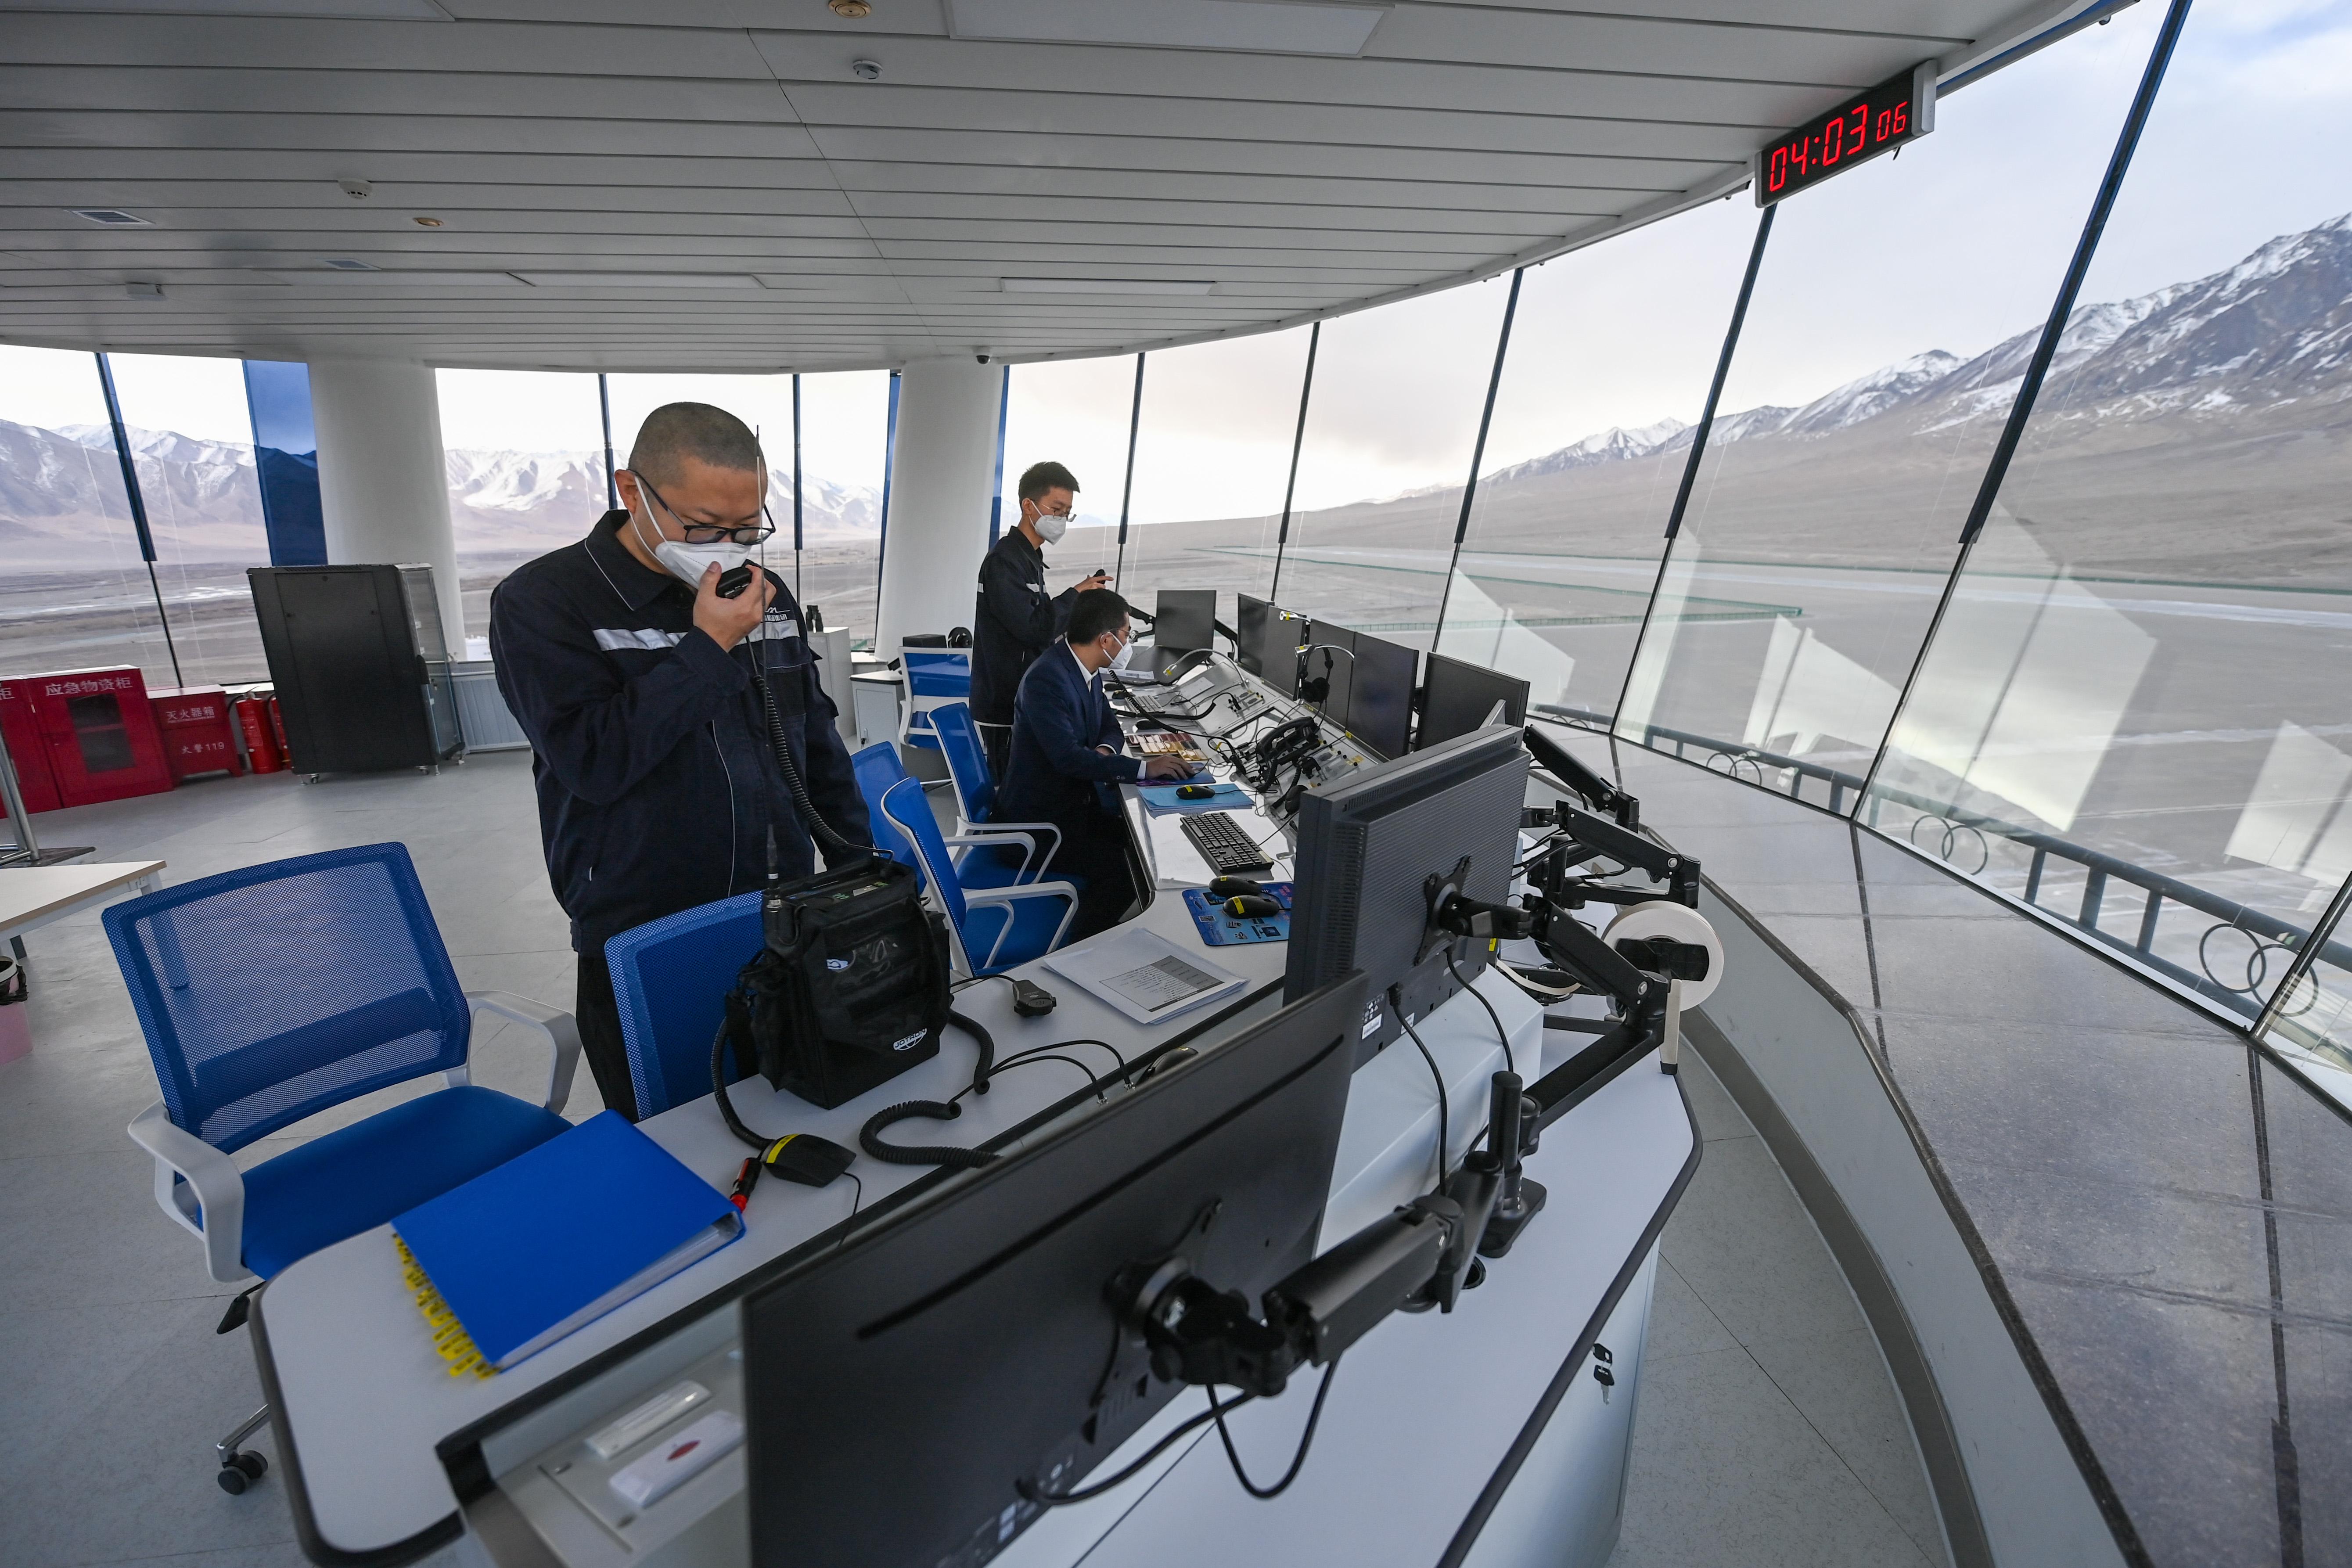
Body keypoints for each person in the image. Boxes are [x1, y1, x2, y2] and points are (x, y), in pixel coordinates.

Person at [491, 401, 871, 1121]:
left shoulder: (765, 595)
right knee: (670, 1134)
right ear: (632, 491)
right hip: (647, 933)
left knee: (791, 1109)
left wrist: (859, 871)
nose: (728, 547)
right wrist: (706, 647)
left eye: (746, 527)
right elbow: (593, 761)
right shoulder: (543, 602)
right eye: (703, 527)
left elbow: (813, 742)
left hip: (779, 915)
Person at [996, 589, 1192, 940]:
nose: (1128, 642)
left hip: (1073, 803)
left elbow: (1110, 726)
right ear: (1106, 639)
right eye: (1127, 634)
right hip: (1040, 825)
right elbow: (1069, 759)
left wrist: (1101, 753)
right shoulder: (1048, 679)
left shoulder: (1082, 669)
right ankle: (1078, 944)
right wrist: (1145, 769)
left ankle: (1098, 927)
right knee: (1129, 869)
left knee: (1139, 843)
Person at [971, 460, 1111, 777]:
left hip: (1022, 693)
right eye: (1057, 509)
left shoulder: (1029, 558)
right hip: (1004, 702)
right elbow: (1034, 629)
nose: (1061, 519)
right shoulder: (1005, 562)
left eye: (1067, 513)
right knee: (1013, 790)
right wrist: (1076, 595)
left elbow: (1041, 621)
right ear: (1028, 506)